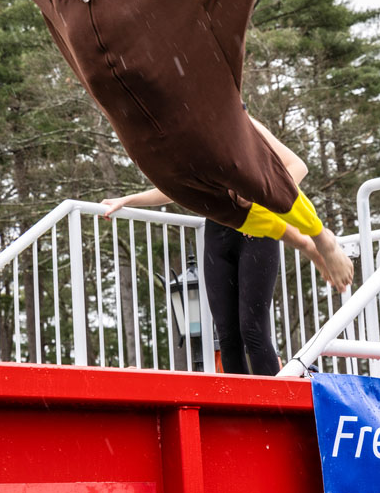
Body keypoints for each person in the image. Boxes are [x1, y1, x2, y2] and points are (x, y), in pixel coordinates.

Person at [13, 0, 353, 292]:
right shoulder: (64, 1)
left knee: (256, 176)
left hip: (199, 117)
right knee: (215, 204)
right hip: (148, 142)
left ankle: (321, 238)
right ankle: (304, 244)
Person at [102, 116, 313, 375]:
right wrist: (128, 199)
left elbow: (297, 167)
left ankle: (273, 405)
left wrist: (258, 202)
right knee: (226, 335)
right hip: (217, 235)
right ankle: (238, 408)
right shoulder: (194, 135)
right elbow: (179, 189)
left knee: (253, 330)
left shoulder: (244, 123)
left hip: (256, 232)